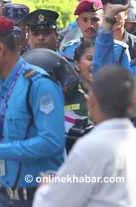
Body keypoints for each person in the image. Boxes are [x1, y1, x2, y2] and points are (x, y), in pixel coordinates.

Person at [0, 17, 65, 206]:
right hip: (4, 194)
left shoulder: (38, 84)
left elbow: (52, 142)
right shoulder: (2, 85)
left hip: (37, 197)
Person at [33, 65, 136, 207]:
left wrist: (44, 186)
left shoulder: (91, 147)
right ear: (131, 106)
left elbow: (51, 203)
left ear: (91, 101)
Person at [64, 41, 93, 118]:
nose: (96, 63)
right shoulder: (66, 94)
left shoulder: (113, 95)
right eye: (90, 59)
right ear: (77, 64)